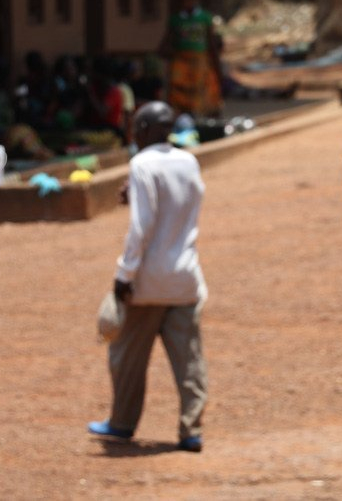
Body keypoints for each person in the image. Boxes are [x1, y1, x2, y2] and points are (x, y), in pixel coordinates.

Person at [87, 101, 208, 453]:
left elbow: (142, 227)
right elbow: (181, 204)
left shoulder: (141, 164)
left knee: (126, 355)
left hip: (148, 280)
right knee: (189, 361)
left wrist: (124, 275)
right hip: (185, 277)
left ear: (141, 131)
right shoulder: (188, 160)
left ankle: (122, 424)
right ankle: (191, 431)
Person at [159, 0, 222, 118]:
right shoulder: (175, 20)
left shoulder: (205, 18)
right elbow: (164, 45)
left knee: (205, 93)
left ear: (193, 0)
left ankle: (207, 122)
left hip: (200, 62)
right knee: (181, 95)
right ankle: (184, 120)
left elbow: (211, 43)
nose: (185, 3)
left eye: (187, 0)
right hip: (182, 64)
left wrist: (217, 67)